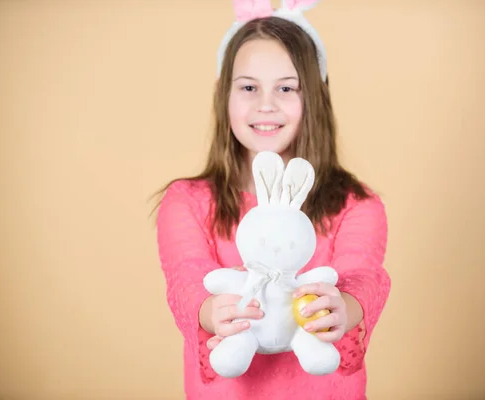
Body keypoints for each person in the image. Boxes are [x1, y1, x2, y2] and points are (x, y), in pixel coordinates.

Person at [153, 1, 391, 399]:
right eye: (249, 87)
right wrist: (211, 312)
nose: (266, 104)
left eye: (286, 87)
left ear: (315, 96)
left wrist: (342, 307)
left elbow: (361, 273)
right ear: (222, 94)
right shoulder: (187, 202)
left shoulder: (356, 205)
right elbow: (187, 275)